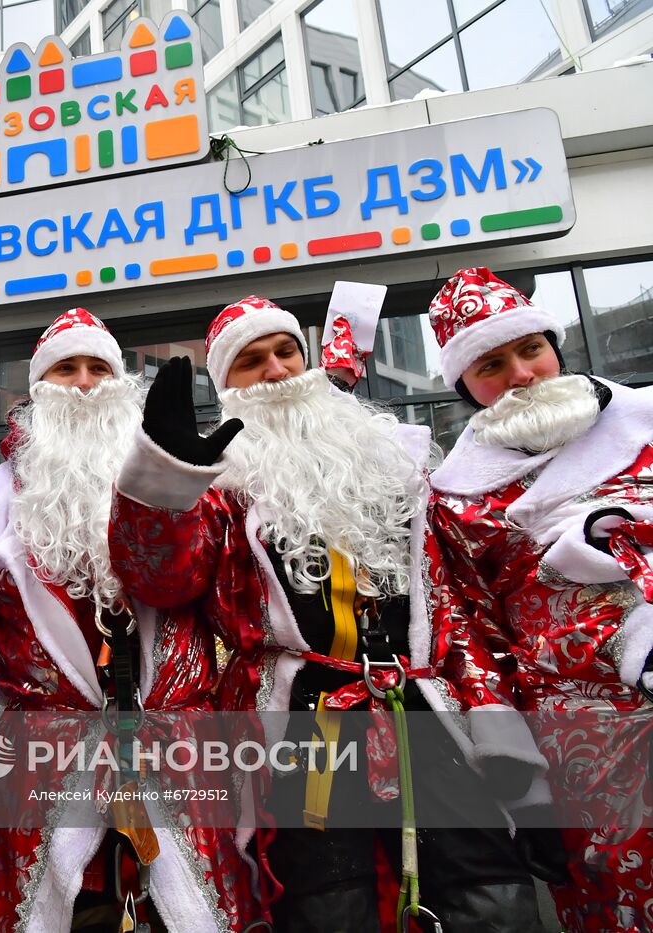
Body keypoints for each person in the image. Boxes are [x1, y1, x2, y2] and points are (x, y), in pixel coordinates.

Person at [108, 294, 548, 932]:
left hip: (424, 709)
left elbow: (453, 602)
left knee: (488, 890)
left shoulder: (392, 465)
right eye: (251, 361)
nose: (277, 370)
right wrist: (164, 483)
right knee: (329, 901)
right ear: (226, 388)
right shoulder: (220, 490)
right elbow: (162, 580)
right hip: (302, 724)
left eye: (286, 351)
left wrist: (490, 709)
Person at [0, 308, 264, 932]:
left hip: (175, 752)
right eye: (65, 369)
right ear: (36, 393)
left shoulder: (189, 482)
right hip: (45, 758)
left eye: (99, 367)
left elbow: (176, 580)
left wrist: (163, 485)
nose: (84, 382)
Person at [425, 266, 653, 931]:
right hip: (582, 746)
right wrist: (519, 782)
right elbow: (466, 632)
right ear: (465, 385)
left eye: (531, 349)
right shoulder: (456, 499)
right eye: (492, 363)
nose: (523, 373)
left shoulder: (644, 426)